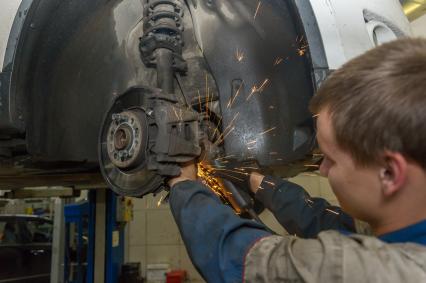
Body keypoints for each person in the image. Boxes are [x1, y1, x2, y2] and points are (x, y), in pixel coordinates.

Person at [167, 38, 426, 282]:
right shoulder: (402, 232)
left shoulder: (378, 273)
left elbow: (240, 258)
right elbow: (319, 220)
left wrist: (183, 185)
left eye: (331, 160)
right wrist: (254, 179)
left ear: (390, 173)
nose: (322, 170)